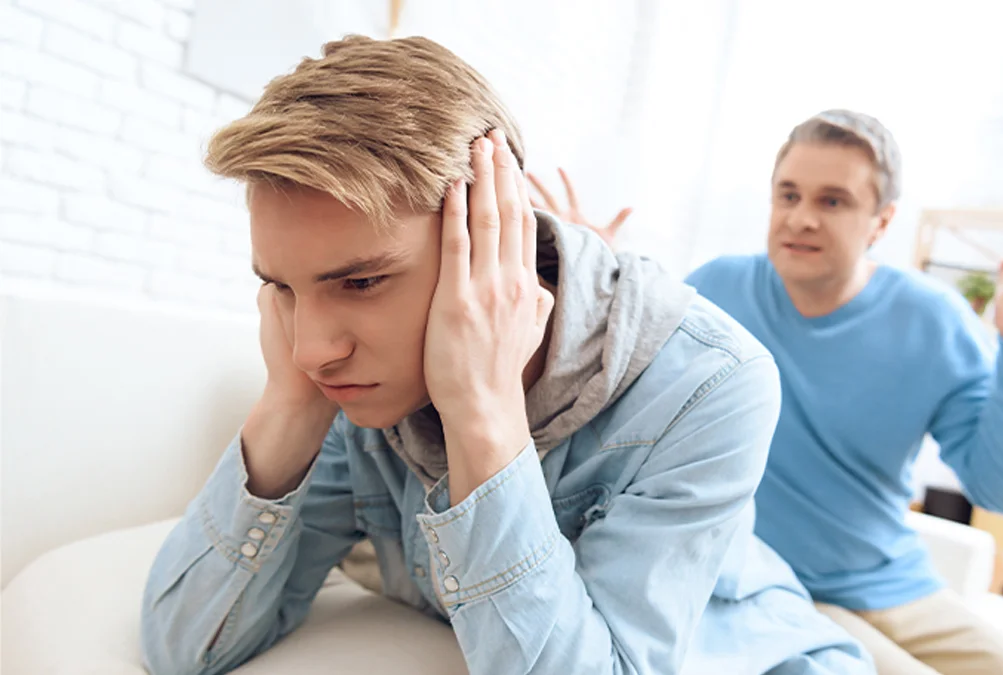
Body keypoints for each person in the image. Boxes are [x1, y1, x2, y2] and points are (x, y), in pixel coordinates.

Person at [138, 36, 873, 675]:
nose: (314, 348)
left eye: (361, 281)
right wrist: (289, 402)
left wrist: (483, 416)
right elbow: (182, 647)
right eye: (282, 289)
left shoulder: (711, 380)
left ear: (498, 241)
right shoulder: (344, 374)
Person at [534, 110, 1003, 675]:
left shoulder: (933, 321)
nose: (800, 218)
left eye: (833, 201)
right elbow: (609, 400)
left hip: (897, 586)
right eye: (788, 196)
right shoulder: (716, 290)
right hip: (770, 587)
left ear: (881, 222)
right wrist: (586, 282)